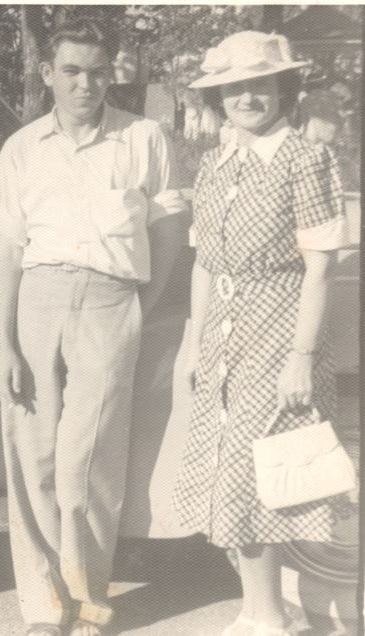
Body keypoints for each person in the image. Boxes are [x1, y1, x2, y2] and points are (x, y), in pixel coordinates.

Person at [0, 19, 187, 636]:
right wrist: (4, 345)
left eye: (97, 73)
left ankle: (89, 601)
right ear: (47, 74)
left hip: (110, 302)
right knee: (35, 459)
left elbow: (169, 231)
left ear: (111, 76)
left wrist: (137, 307)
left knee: (88, 464)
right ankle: (47, 608)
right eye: (71, 71)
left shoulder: (142, 138)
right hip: (37, 302)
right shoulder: (22, 147)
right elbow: (8, 248)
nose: (85, 84)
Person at [172, 31, 350, 636]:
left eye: (261, 85)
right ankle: (262, 612)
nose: (248, 97)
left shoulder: (305, 159)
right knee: (229, 475)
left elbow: (321, 267)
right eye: (235, 87)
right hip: (223, 341)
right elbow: (204, 264)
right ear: (217, 97)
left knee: (256, 479)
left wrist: (301, 356)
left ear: (283, 89)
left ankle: (267, 616)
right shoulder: (215, 164)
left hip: (279, 335)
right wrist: (194, 345)